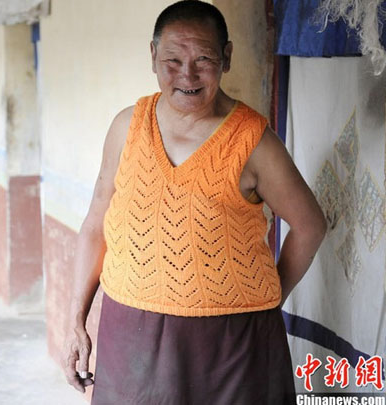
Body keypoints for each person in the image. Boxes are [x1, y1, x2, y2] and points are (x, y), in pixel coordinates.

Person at [63, 1, 327, 404]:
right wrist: (75, 320)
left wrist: (268, 297)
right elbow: (96, 223)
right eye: (173, 59)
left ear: (227, 57)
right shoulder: (126, 127)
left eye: (203, 58)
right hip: (130, 331)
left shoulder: (253, 141)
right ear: (153, 57)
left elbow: (309, 225)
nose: (187, 75)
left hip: (231, 344)